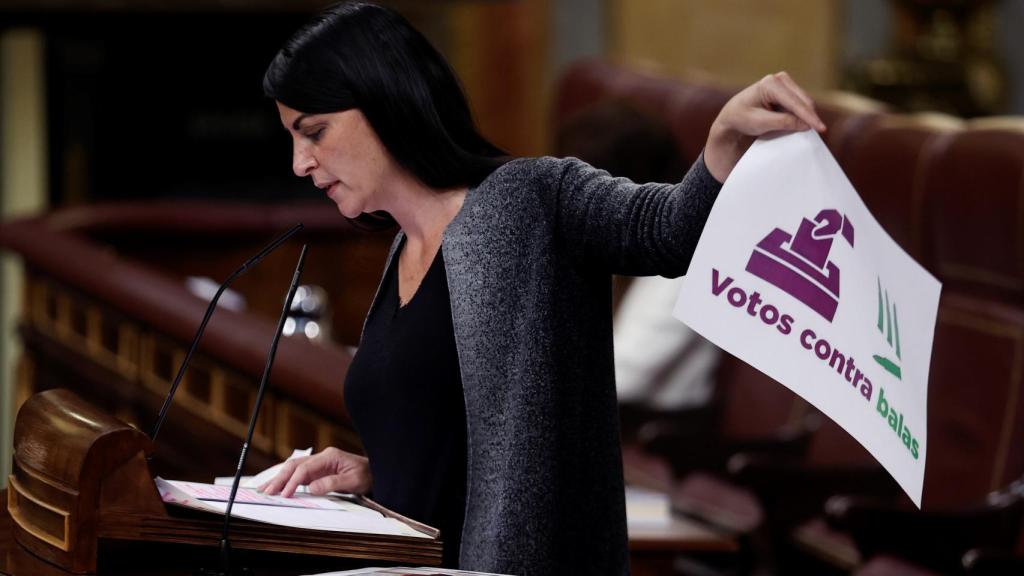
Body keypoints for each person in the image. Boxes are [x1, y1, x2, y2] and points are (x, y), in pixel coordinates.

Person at [259, 2, 825, 574]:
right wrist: (383, 475)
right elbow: (463, 437)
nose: (299, 163)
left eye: (314, 131)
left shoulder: (530, 199)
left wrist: (723, 142)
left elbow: (666, 230)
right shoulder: (402, 246)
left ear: (384, 101)